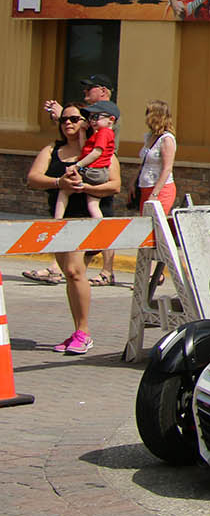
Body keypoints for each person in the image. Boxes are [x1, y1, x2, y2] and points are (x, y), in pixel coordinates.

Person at [26, 104, 123, 354]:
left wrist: (85, 188)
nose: (68, 123)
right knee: (71, 275)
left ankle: (84, 332)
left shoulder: (97, 150)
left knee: (74, 270)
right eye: (64, 119)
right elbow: (33, 178)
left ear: (87, 122)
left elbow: (115, 185)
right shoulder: (52, 150)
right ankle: (78, 330)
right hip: (60, 220)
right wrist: (59, 182)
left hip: (87, 220)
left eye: (74, 118)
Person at [54, 101, 118, 220]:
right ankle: (99, 225)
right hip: (99, 173)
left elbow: (96, 153)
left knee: (64, 190)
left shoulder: (103, 133)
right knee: (93, 204)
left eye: (95, 117)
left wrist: (77, 166)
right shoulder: (100, 134)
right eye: (90, 118)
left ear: (111, 119)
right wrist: (82, 132)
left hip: (93, 171)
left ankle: (57, 221)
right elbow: (85, 150)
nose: (92, 121)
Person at [132, 100, 177, 214]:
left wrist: (155, 194)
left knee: (156, 222)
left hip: (161, 189)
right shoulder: (149, 137)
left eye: (148, 113)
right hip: (145, 186)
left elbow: (167, 168)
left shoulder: (167, 139)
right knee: (145, 223)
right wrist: (133, 182)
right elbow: (144, 162)